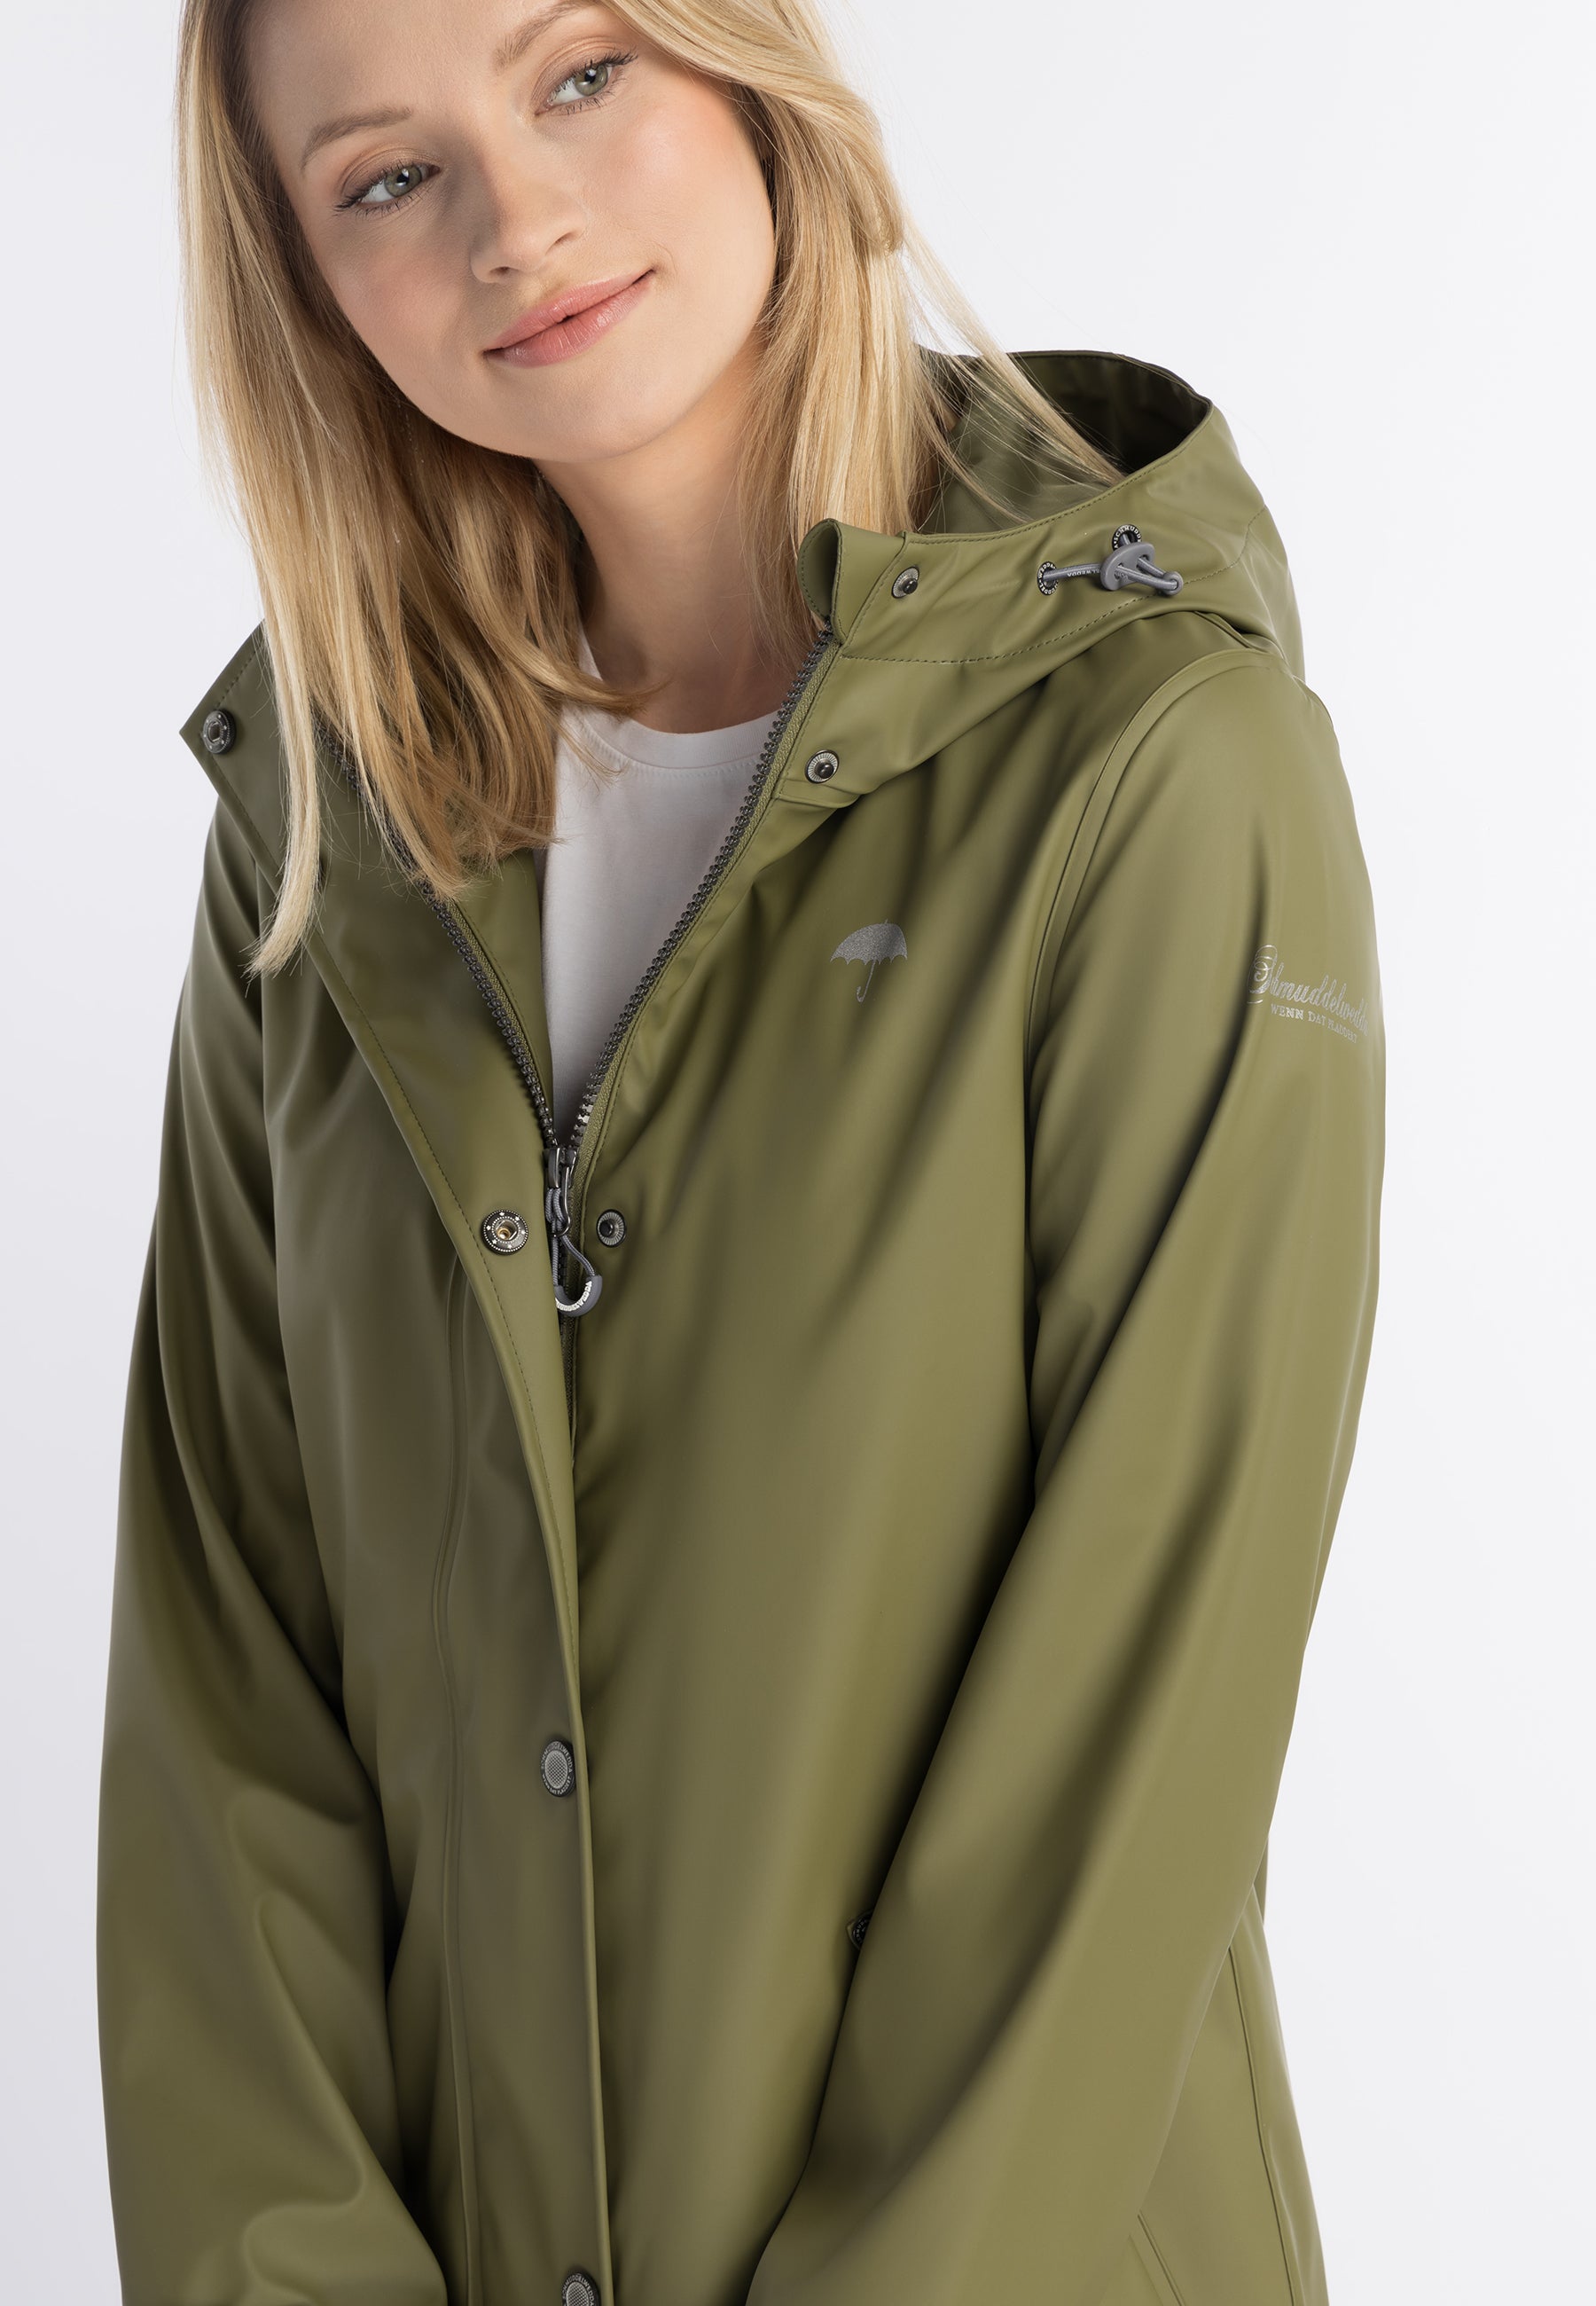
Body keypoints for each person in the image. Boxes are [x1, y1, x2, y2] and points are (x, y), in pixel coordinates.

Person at [96, 3, 1384, 2302]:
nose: (518, 222)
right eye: (386, 177)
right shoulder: (321, 854)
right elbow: (227, 1719)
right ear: (303, 281)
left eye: (579, 73)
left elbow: (1132, 1749)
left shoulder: (1160, 772)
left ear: (746, 60)